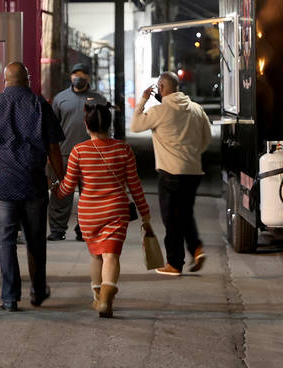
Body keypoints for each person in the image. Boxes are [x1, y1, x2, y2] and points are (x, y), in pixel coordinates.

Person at [0, 62, 65, 312]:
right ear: (27, 79)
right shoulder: (41, 106)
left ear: (5, 80)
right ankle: (38, 291)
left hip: (1, 185)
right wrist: (61, 179)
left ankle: (9, 297)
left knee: (5, 241)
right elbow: (53, 148)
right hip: (33, 184)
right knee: (36, 241)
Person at [55, 102, 152, 318]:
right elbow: (134, 185)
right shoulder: (123, 149)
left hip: (89, 212)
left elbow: (68, 186)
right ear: (109, 125)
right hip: (116, 210)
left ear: (86, 125)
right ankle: (107, 297)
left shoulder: (78, 151)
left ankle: (98, 297)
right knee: (111, 255)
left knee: (96, 256)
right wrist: (145, 213)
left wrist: (56, 193)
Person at [130, 71, 212, 275]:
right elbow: (206, 138)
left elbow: (135, 125)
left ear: (162, 88)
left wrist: (142, 100)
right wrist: (192, 155)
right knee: (184, 213)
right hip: (193, 171)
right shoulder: (196, 109)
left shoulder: (159, 110)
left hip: (170, 173)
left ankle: (174, 264)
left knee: (171, 219)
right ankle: (196, 248)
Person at [48, 61, 108, 241]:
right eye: (76, 74)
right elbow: (53, 128)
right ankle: (57, 230)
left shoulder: (99, 99)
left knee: (89, 196)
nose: (78, 78)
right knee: (60, 193)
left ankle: (84, 229)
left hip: (92, 155)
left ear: (89, 77)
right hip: (65, 154)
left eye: (82, 74)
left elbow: (105, 127)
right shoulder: (60, 99)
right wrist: (51, 155)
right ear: (70, 77)